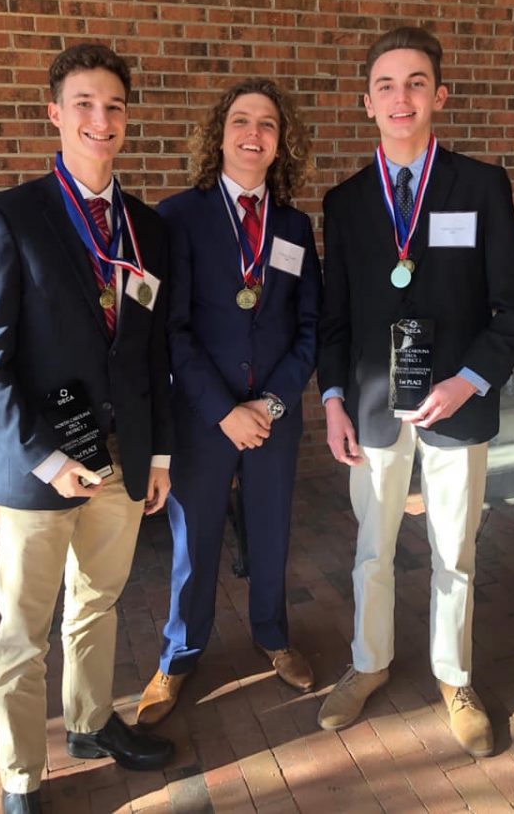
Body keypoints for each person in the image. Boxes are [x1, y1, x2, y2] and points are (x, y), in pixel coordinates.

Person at [0, 44, 174, 814]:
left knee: (98, 604)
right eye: (84, 103)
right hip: (39, 469)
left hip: (120, 461)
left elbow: (151, 352)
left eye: (114, 105)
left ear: (127, 119)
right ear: (55, 113)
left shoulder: (148, 229)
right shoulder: (9, 217)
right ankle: (21, 777)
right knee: (23, 631)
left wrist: (158, 453)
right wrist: (47, 458)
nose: (100, 119)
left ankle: (89, 724)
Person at [316, 27, 514, 756]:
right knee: (371, 551)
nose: (400, 97)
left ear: (437, 95)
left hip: (456, 404)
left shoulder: (479, 186)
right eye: (385, 85)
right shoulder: (346, 202)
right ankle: (367, 662)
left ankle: (454, 675)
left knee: (455, 551)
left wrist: (468, 378)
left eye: (415, 82)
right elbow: (335, 316)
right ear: (366, 103)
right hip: (374, 407)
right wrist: (332, 401)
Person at [136, 79, 322, 726]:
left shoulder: (295, 226)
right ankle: (178, 656)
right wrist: (223, 410)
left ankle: (272, 636)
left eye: (266, 124)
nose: (253, 133)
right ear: (218, 136)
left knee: (271, 533)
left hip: (273, 417)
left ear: (280, 143)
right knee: (196, 541)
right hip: (202, 415)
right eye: (240, 121)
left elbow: (308, 328)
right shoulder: (176, 217)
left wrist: (269, 405)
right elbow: (171, 329)